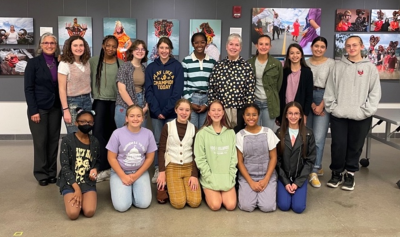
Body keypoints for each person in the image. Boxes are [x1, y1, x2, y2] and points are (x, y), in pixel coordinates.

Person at [324, 35, 381, 191]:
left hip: (361, 116)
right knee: (338, 145)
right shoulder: (337, 66)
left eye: (355, 45)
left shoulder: (370, 68)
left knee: (355, 146)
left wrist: (366, 111)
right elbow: (330, 89)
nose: (351, 48)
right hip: (339, 115)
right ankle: (336, 173)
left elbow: (375, 93)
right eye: (348, 46)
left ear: (361, 46)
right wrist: (333, 107)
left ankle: (350, 174)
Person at [145, 37, 184, 184]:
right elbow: (148, 91)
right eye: (161, 48)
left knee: (172, 141)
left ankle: (171, 168)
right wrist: (157, 110)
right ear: (157, 49)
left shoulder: (177, 66)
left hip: (171, 113)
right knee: (156, 141)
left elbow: (177, 91)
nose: (164, 51)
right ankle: (157, 168)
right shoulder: (151, 67)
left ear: (171, 50)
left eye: (167, 48)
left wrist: (167, 110)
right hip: (155, 113)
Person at [24, 32, 62, 186]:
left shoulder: (60, 62)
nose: (49, 45)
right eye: (46, 43)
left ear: (56, 45)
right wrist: (33, 110)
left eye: (52, 43)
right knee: (40, 141)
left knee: (53, 140)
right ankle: (41, 173)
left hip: (55, 107)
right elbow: (28, 88)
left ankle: (52, 172)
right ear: (41, 45)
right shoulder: (33, 63)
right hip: (38, 108)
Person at [106, 105, 157, 212]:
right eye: (132, 116)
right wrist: (123, 176)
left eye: (139, 116)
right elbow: (111, 158)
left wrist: (136, 175)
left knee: (144, 204)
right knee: (122, 207)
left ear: (143, 118)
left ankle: (132, 189)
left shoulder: (148, 134)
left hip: (140, 171)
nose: (135, 119)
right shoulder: (117, 133)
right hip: (120, 171)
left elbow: (149, 158)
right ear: (126, 118)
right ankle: (124, 190)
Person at [89, 35, 123, 182]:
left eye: (114, 46)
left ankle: (112, 167)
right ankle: (100, 166)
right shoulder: (93, 61)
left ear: (117, 48)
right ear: (103, 45)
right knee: (97, 135)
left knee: (113, 136)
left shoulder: (121, 64)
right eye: (108, 45)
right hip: (99, 102)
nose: (110, 48)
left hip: (116, 103)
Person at [157, 99, 202, 208]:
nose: (184, 112)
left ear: (190, 112)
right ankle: (166, 185)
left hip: (188, 166)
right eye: (181, 109)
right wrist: (162, 171)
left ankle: (177, 186)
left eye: (187, 110)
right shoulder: (168, 126)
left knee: (195, 202)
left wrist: (194, 175)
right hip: (172, 166)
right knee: (179, 203)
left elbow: (196, 154)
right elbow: (162, 149)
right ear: (176, 110)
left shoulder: (193, 128)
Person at [57, 108, 100, 220]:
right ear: (76, 123)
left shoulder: (94, 141)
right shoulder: (67, 140)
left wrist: (95, 169)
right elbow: (65, 167)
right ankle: (72, 197)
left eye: (90, 122)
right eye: (83, 121)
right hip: (71, 182)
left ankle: (85, 199)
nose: (87, 124)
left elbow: (97, 162)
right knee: (73, 214)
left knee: (89, 211)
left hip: (87, 181)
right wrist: (76, 189)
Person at [194, 100, 237, 211]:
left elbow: (234, 157)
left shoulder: (231, 133)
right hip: (210, 178)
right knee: (216, 205)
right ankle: (208, 192)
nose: (216, 113)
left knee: (231, 205)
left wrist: (231, 176)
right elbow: (200, 159)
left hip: (227, 177)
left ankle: (221, 191)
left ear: (223, 113)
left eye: (219, 110)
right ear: (208, 113)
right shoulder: (202, 134)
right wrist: (209, 177)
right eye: (213, 110)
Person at [236, 104, 279, 212]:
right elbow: (240, 162)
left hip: (266, 175)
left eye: (254, 115)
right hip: (248, 176)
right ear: (243, 117)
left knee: (267, 207)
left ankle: (266, 192)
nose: (251, 118)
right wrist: (251, 182)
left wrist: (266, 180)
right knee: (247, 206)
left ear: (258, 116)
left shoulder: (268, 132)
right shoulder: (240, 136)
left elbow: (273, 158)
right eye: (248, 115)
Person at [208, 33, 255, 133]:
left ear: (240, 48)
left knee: (238, 141)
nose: (233, 47)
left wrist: (248, 113)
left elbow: (250, 92)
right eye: (231, 44)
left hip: (240, 111)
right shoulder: (218, 66)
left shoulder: (246, 67)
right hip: (220, 112)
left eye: (237, 45)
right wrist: (213, 110)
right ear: (226, 46)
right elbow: (212, 90)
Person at [305, 37, 335, 188]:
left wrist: (321, 105)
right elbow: (303, 84)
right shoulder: (306, 62)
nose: (318, 49)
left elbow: (332, 85)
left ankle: (314, 170)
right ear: (311, 47)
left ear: (326, 48)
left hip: (324, 97)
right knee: (307, 136)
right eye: (316, 46)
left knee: (318, 137)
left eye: (322, 47)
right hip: (307, 99)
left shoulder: (331, 64)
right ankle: (311, 165)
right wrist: (309, 103)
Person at [276, 102, 316, 214]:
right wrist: (285, 182)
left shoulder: (308, 134)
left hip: (300, 177)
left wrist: (297, 182)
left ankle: (298, 188)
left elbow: (310, 160)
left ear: (301, 116)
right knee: (284, 206)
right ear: (285, 115)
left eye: (296, 113)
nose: (293, 116)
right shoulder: (279, 133)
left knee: (298, 208)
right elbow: (276, 161)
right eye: (290, 113)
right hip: (284, 177)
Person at [247, 34, 283, 129]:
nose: (263, 47)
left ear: (270, 46)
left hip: (269, 103)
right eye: (261, 44)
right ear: (256, 45)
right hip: (254, 103)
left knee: (268, 133)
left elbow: (278, 85)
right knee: (253, 132)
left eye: (266, 44)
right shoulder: (249, 63)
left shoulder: (276, 64)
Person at [58, 35, 92, 134]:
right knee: (74, 134)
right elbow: (62, 89)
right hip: (72, 102)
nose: (78, 48)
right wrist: (66, 110)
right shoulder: (64, 64)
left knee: (87, 133)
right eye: (75, 45)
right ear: (70, 47)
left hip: (87, 100)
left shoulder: (86, 62)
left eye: (81, 45)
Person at [182, 32, 217, 128]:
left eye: (202, 42)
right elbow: (183, 84)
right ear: (192, 44)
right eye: (196, 43)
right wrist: (189, 102)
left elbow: (213, 86)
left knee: (204, 130)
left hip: (206, 99)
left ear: (206, 43)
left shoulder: (212, 62)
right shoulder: (186, 61)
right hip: (192, 98)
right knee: (191, 130)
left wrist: (207, 104)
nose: (199, 45)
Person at [276, 43, 313, 126]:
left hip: (299, 113)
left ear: (301, 55)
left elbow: (309, 95)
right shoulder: (283, 72)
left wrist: (305, 114)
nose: (295, 55)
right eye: (292, 53)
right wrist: (279, 116)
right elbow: (280, 94)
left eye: (298, 53)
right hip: (285, 111)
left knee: (299, 137)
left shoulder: (307, 72)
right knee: (285, 137)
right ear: (288, 56)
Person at [115, 39, 149, 128]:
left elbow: (148, 89)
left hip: (141, 103)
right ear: (132, 51)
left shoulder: (145, 69)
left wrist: (146, 107)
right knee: (123, 136)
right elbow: (122, 90)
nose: (140, 51)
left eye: (142, 49)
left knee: (140, 136)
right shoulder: (125, 67)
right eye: (137, 49)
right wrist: (133, 108)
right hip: (124, 104)